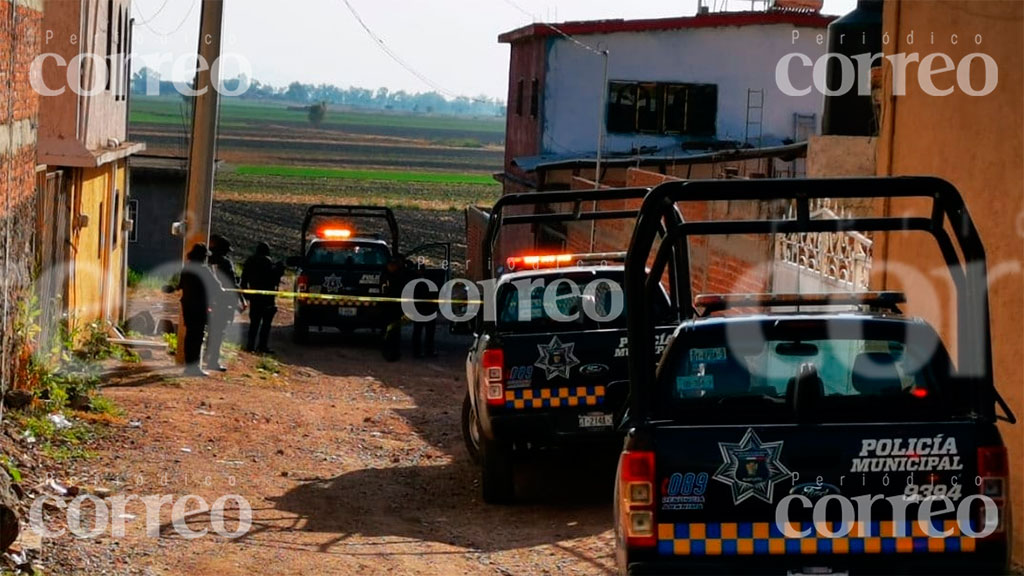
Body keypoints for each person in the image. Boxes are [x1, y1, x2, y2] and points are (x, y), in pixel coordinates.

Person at [178, 243, 223, 377]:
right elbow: (217, 287)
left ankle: (189, 365)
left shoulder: (186, 268)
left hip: (187, 306)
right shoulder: (204, 270)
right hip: (200, 307)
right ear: (203, 257)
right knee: (197, 337)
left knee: (190, 336)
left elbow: (180, 285)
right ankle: (194, 367)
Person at [206, 234, 245, 371]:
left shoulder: (207, 261)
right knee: (219, 332)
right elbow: (232, 284)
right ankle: (213, 361)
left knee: (210, 330)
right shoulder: (226, 263)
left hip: (208, 300)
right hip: (223, 302)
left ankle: (205, 356)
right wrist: (240, 302)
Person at [240, 242, 285, 353]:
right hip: (267, 298)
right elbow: (272, 278)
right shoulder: (267, 262)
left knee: (254, 323)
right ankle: (262, 346)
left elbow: (243, 279)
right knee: (265, 324)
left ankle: (250, 346)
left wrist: (246, 294)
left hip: (255, 297)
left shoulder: (249, 261)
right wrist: (279, 269)